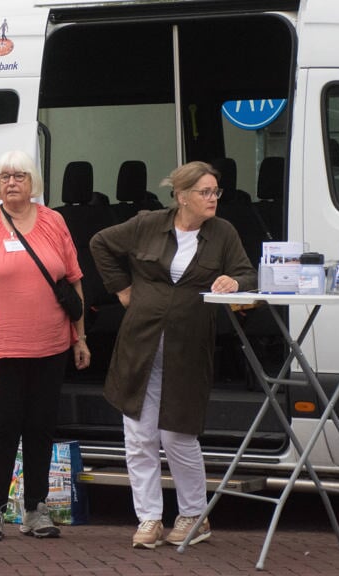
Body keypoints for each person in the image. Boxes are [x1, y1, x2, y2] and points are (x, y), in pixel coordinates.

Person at [89, 161, 257, 549]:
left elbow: (248, 274)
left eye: (216, 192)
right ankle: (148, 519)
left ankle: (194, 515)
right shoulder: (147, 223)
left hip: (188, 345)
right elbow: (100, 243)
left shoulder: (223, 233)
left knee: (177, 433)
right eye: (205, 192)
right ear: (182, 197)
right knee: (139, 434)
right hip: (140, 343)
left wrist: (234, 281)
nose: (213, 199)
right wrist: (122, 290)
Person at [0, 150, 91, 541]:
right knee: (2, 428)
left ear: (32, 181)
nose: (12, 183)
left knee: (40, 428)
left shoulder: (54, 221)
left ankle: (36, 510)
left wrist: (80, 337)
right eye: (4, 177)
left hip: (51, 344)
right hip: (0, 349)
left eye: (19, 176)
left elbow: (73, 281)